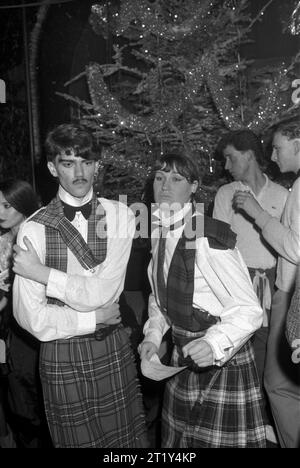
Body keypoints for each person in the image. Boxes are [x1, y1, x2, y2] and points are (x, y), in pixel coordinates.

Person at [12, 123, 148, 448]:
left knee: (127, 445)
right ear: (52, 167)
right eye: (68, 162)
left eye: (87, 162)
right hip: (61, 354)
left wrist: (43, 274)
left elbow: (105, 294)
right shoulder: (34, 229)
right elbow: (30, 317)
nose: (79, 172)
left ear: (97, 165)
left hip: (111, 347)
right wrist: (93, 318)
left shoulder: (120, 216)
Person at [139, 153, 267, 448]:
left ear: (194, 186)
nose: (165, 187)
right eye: (160, 178)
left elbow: (250, 309)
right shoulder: (159, 232)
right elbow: (161, 297)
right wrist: (153, 334)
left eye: (177, 179)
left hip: (220, 361)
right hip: (180, 359)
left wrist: (213, 344)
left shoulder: (207, 237)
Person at [213, 129, 288, 443]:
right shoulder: (226, 194)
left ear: (248, 154)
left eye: (230, 157)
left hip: (276, 288)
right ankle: (246, 428)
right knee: (243, 361)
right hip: (239, 287)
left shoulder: (284, 196)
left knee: (273, 362)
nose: (226, 165)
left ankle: (269, 429)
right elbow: (216, 247)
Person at [232, 119, 300, 448]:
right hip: (281, 289)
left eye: (278, 147)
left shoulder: (297, 187)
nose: (272, 156)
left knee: (278, 383)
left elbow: (295, 248)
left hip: (291, 293)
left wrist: (259, 215)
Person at [0, 179, 48, 448]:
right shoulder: (5, 242)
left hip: (35, 328)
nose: (1, 212)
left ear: (23, 204)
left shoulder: (37, 237)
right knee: (16, 393)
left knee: (30, 395)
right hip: (11, 329)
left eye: (7, 205)